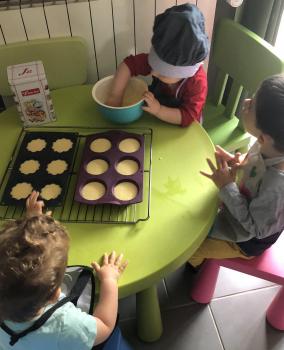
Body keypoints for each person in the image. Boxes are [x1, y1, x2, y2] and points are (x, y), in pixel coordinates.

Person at [0, 191, 128, 350]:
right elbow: (105, 326)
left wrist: (32, 224)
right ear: (56, 294)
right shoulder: (66, 325)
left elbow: (15, 263)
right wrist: (109, 280)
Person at [189, 74, 284, 267]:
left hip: (244, 241)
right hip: (236, 203)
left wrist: (227, 186)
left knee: (191, 248)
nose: (246, 101)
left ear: (263, 138)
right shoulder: (271, 144)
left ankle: (194, 269)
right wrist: (237, 161)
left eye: (251, 106)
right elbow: (256, 165)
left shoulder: (277, 188)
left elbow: (253, 227)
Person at [107, 3, 209, 127]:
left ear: (184, 72)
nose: (153, 73)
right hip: (156, 121)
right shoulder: (161, 62)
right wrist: (115, 96)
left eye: (162, 72)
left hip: (183, 128)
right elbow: (127, 65)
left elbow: (187, 116)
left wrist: (159, 110)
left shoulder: (197, 83)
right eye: (154, 65)